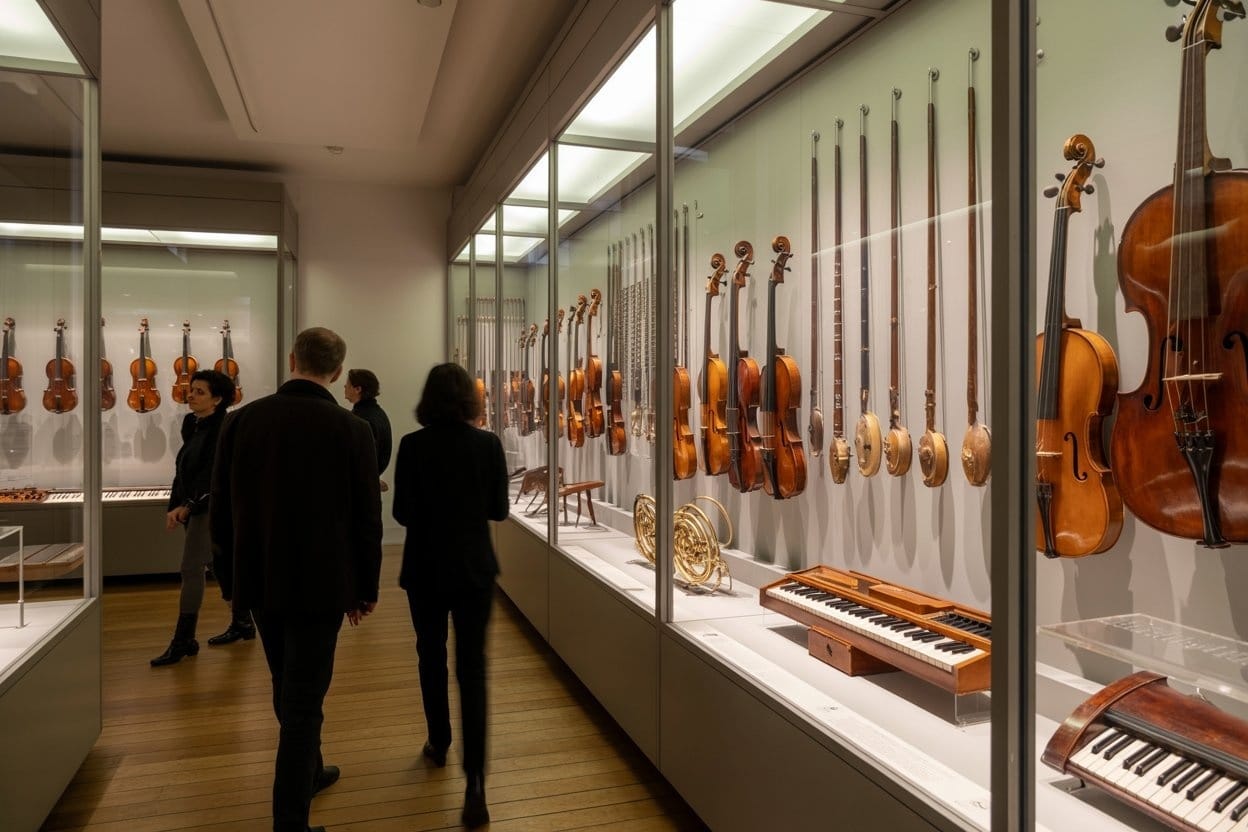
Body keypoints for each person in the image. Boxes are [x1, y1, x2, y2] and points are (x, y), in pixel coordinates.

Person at [211, 327, 382, 832]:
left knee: (285, 680)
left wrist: (229, 581)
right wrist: (365, 588)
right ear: (335, 371)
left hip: (260, 578)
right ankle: (291, 822)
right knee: (304, 700)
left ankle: (309, 770)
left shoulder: (242, 422)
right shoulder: (353, 430)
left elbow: (222, 512)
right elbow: (366, 519)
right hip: (322, 584)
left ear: (291, 360)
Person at [392, 362, 508, 828]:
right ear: (469, 400)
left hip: (424, 568)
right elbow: (498, 511)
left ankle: (438, 741)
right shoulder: (487, 444)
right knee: (473, 671)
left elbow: (401, 513)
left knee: (430, 656)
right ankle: (475, 782)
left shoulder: (413, 445)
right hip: (474, 569)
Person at [151, 369, 236, 668]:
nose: (191, 395)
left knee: (191, 567)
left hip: (210, 506)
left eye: (200, 392)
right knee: (216, 560)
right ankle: (243, 621)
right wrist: (174, 504)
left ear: (217, 399)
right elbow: (183, 467)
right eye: (192, 390)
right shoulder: (192, 423)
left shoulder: (222, 427)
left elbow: (211, 475)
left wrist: (188, 506)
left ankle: (184, 639)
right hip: (192, 504)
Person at [343, 368, 392, 478]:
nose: (344, 386)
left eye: (347, 384)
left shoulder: (361, 419)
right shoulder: (378, 413)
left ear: (358, 389)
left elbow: (361, 460)